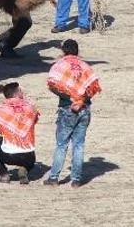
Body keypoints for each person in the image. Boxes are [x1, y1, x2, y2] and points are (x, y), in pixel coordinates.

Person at [43, 39, 102, 188]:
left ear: (63, 51)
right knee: (79, 145)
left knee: (61, 145)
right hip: (84, 109)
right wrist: (81, 100)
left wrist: (69, 98)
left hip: (66, 109)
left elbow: (52, 84)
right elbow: (93, 87)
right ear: (77, 51)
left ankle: (54, 178)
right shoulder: (85, 66)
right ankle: (76, 180)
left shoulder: (60, 65)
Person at [0, 82, 39, 184]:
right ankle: (25, 169)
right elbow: (34, 121)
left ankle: (4, 174)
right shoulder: (30, 107)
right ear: (16, 94)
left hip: (9, 156)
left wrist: (4, 135)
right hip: (29, 158)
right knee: (28, 148)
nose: (23, 92)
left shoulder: (1, 109)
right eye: (21, 91)